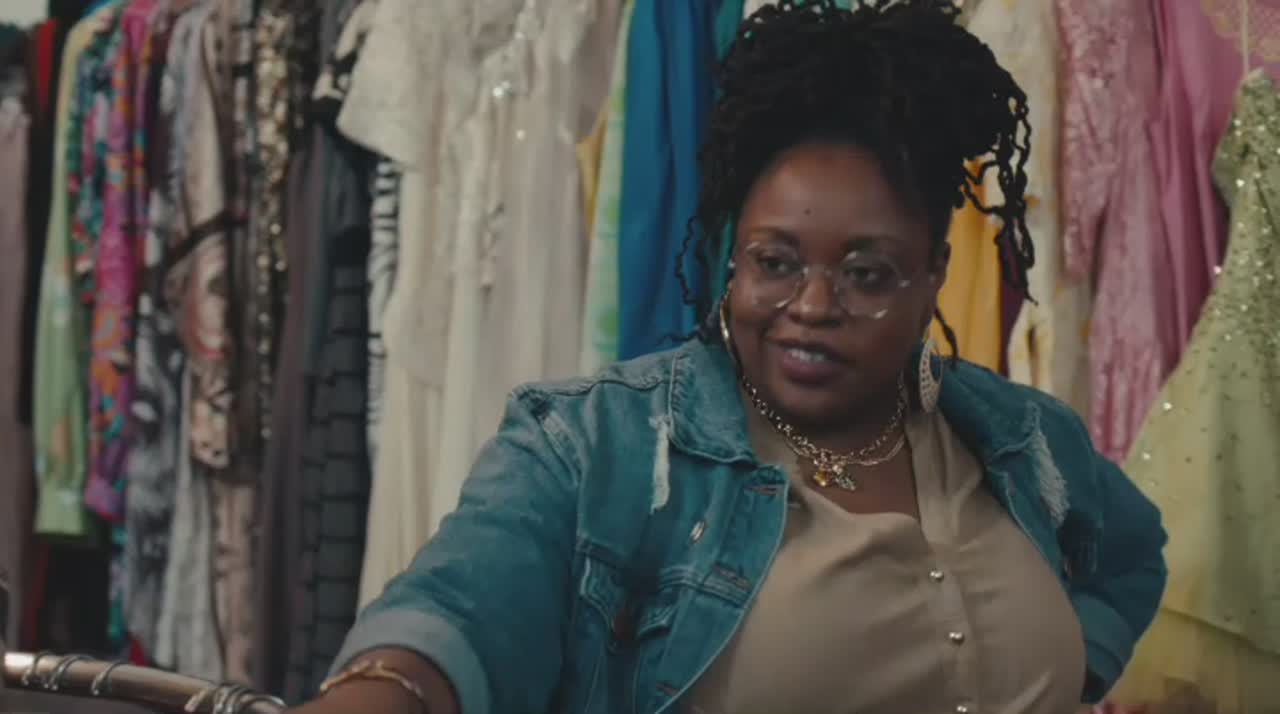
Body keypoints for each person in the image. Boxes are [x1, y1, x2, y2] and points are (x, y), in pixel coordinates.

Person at [289, 2, 1167, 713]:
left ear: (934, 272)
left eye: (867, 274)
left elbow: (1133, 556)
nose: (812, 307)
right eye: (775, 263)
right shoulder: (600, 446)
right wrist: (391, 688)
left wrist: (1079, 662)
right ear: (731, 256)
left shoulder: (1021, 438)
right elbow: (461, 609)